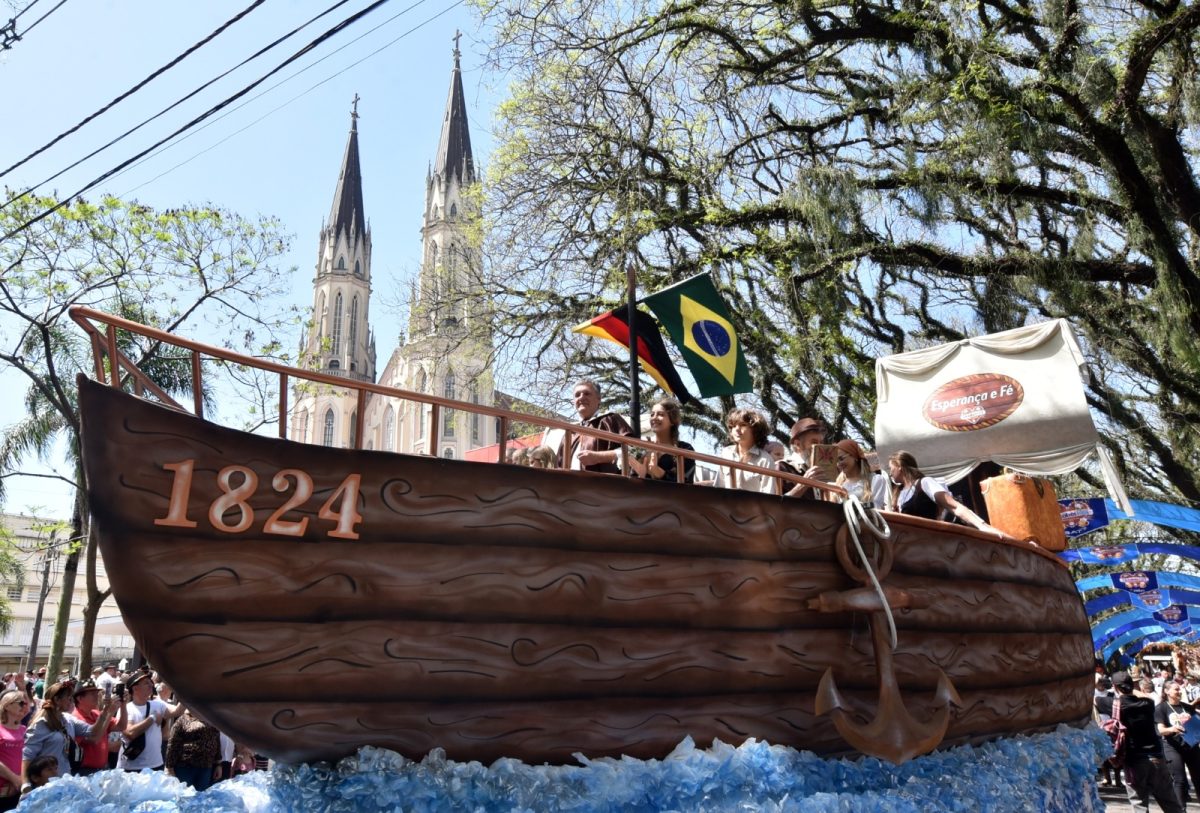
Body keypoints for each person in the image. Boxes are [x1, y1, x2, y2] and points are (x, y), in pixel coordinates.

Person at [1097, 670, 1185, 813]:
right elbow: (1146, 696)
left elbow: (1094, 699)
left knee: (1139, 803)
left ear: (1115, 686)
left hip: (1134, 760)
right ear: (1133, 685)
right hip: (1157, 756)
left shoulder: (1113, 704)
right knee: (1170, 802)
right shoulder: (1147, 703)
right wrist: (1133, 689)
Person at [884, 451, 1006, 536]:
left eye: (891, 468)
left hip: (931, 541)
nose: (890, 473)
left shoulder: (924, 483)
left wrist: (983, 526)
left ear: (899, 466)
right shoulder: (898, 494)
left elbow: (954, 506)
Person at [21, 679, 118, 786]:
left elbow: (93, 732)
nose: (71, 701)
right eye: (68, 698)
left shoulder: (68, 720)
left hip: (65, 778)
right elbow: (27, 756)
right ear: (57, 700)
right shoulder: (41, 724)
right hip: (46, 782)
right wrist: (25, 785)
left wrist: (106, 712)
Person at [558, 380, 634, 474]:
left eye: (587, 393)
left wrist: (599, 457)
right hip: (571, 486)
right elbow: (559, 465)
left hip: (604, 486)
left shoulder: (610, 420)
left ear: (598, 399)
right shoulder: (570, 432)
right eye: (577, 395)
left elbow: (635, 450)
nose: (581, 397)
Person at [117, 669, 182, 772]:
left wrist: (186, 693)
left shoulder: (158, 704)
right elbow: (130, 733)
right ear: (135, 688)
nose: (151, 685)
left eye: (150, 682)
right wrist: (152, 718)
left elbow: (177, 712)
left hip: (156, 765)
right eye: (146, 683)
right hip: (131, 767)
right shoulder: (126, 708)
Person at [627, 398, 695, 484]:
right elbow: (630, 483)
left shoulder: (685, 448)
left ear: (672, 421)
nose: (654, 418)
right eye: (652, 414)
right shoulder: (642, 448)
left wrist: (657, 471)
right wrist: (641, 475)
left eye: (660, 414)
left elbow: (685, 482)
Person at [714, 408, 777, 494]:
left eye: (743, 425)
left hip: (752, 507)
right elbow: (719, 487)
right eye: (733, 426)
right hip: (726, 506)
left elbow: (768, 495)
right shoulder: (726, 453)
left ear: (755, 429)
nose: (736, 429)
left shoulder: (765, 460)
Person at [71, 678, 127, 776]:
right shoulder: (76, 718)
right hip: (85, 771)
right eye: (92, 694)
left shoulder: (96, 714)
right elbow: (94, 739)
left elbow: (121, 726)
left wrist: (123, 705)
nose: (97, 696)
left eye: (96, 693)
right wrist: (109, 713)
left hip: (102, 768)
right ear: (79, 699)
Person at [1157, 681, 1200, 805]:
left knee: (1198, 777)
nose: (1179, 691)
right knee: (1179, 779)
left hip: (1191, 745)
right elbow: (1160, 730)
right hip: (1173, 747)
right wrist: (1172, 729)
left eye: (1180, 689)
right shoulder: (1161, 708)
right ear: (1167, 691)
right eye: (1176, 689)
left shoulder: (1187, 707)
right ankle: (1180, 808)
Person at [164, 707, 221, 791]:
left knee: (201, 798)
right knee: (184, 797)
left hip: (206, 768)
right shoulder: (182, 720)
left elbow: (217, 742)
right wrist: (169, 768)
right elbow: (172, 745)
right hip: (185, 768)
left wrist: (218, 764)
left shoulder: (212, 720)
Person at [779, 417, 827, 498]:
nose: (819, 446)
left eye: (821, 442)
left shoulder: (823, 468)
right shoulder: (783, 467)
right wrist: (805, 483)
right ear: (798, 444)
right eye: (814, 442)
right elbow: (776, 505)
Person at [830, 439, 886, 507]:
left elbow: (878, 508)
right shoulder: (837, 484)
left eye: (841, 459)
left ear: (854, 456)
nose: (838, 464)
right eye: (836, 461)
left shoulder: (875, 480)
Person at [0, 690, 27, 811]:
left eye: (25, 703)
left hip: (18, 789)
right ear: (7, 705)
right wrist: (14, 779)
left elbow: (27, 757)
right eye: (21, 703)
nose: (24, 706)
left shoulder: (24, 729)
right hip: (3, 789)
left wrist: (21, 780)